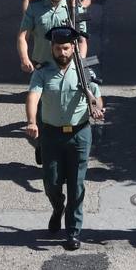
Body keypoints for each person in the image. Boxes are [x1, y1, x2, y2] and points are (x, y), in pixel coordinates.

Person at [24, 26, 104, 251]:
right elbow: (33, 97)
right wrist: (31, 121)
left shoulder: (85, 71)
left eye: (66, 48)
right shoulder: (42, 72)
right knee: (51, 182)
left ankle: (73, 231)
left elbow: (98, 100)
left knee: (77, 185)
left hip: (79, 134)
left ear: (74, 48)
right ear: (52, 48)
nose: (62, 52)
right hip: (51, 134)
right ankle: (57, 208)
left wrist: (96, 108)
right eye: (58, 48)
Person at [17, 0, 86, 73]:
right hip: (41, 66)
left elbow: (82, 40)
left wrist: (80, 64)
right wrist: (24, 59)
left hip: (68, 66)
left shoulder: (75, 9)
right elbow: (23, 37)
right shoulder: (34, 8)